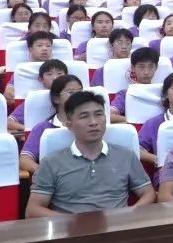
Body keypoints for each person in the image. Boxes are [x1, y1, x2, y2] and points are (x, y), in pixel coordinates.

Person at [26, 90, 155, 216]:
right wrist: (69, 222)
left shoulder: (126, 156)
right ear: (69, 124)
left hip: (118, 226)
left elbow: (148, 193)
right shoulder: (51, 162)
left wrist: (129, 215)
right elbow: (33, 210)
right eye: (84, 116)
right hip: (71, 227)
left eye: (98, 114)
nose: (93, 122)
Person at [19, 74, 84, 174]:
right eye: (70, 92)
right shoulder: (43, 128)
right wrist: (48, 174)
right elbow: (24, 160)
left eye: (80, 92)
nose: (78, 97)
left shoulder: (92, 124)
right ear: (56, 98)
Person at [8, 59, 68, 132]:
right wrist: (32, 130)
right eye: (50, 74)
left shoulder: (75, 96)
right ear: (41, 79)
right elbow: (8, 122)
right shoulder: (34, 99)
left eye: (59, 73)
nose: (55, 78)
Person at [110, 47, 161, 120]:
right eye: (141, 67)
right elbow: (110, 116)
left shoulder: (162, 92)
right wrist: (133, 120)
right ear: (133, 68)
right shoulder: (125, 94)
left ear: (156, 67)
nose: (146, 72)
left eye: (151, 67)